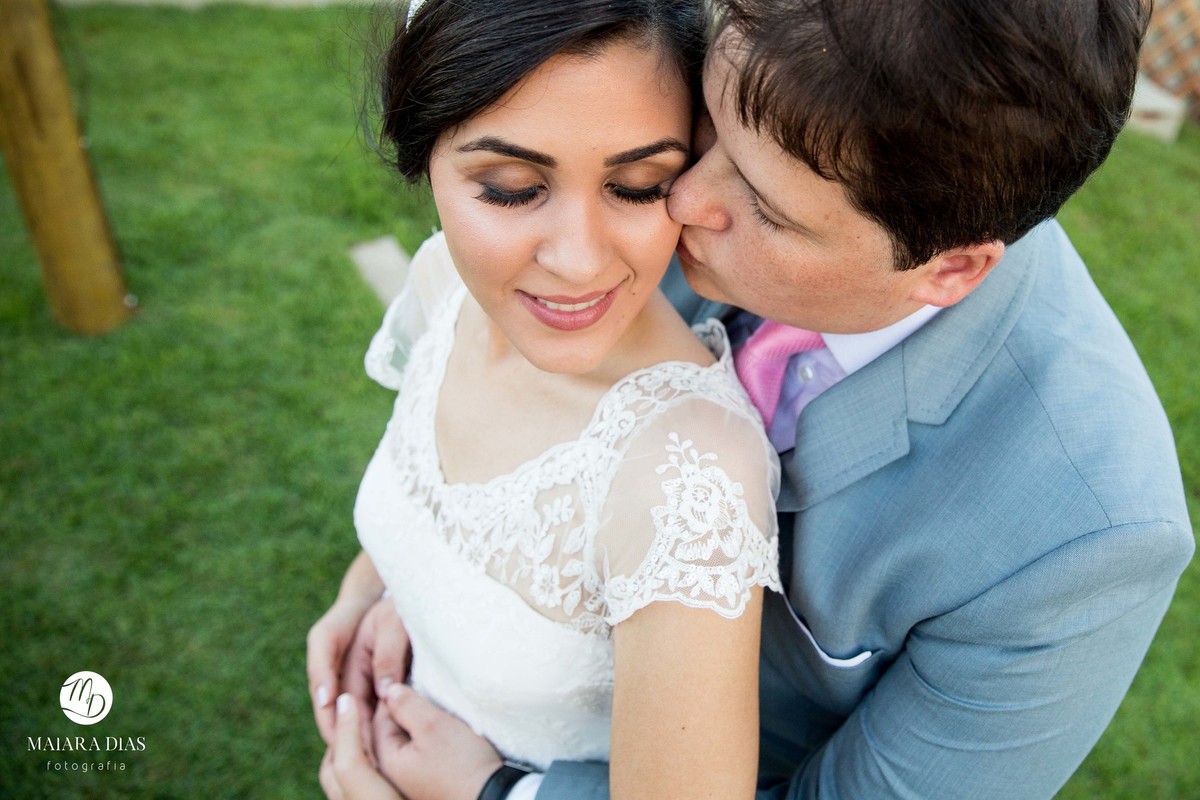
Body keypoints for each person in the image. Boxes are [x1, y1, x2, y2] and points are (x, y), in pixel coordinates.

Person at [310, 0, 1196, 798]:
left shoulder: (1087, 536)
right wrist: (415, 584)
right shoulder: (639, 190)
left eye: (768, 209)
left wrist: (501, 794)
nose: (682, 199)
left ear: (951, 268)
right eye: (707, 130)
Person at [312, 1, 783, 798]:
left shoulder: (690, 478)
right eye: (511, 190)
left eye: (637, 186)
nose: (579, 261)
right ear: (423, 156)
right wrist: (365, 594)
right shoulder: (445, 283)